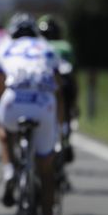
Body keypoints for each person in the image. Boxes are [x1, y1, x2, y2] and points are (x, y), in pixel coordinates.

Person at [0, 13, 63, 215]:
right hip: (44, 103)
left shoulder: (4, 46)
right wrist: (60, 123)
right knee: (46, 170)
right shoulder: (47, 47)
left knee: (4, 128)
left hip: (13, 103)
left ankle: (9, 170)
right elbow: (58, 85)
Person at [38, 14, 78, 163]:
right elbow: (72, 74)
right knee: (65, 116)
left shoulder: (39, 46)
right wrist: (75, 102)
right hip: (65, 87)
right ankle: (64, 138)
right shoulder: (65, 46)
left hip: (45, 87)